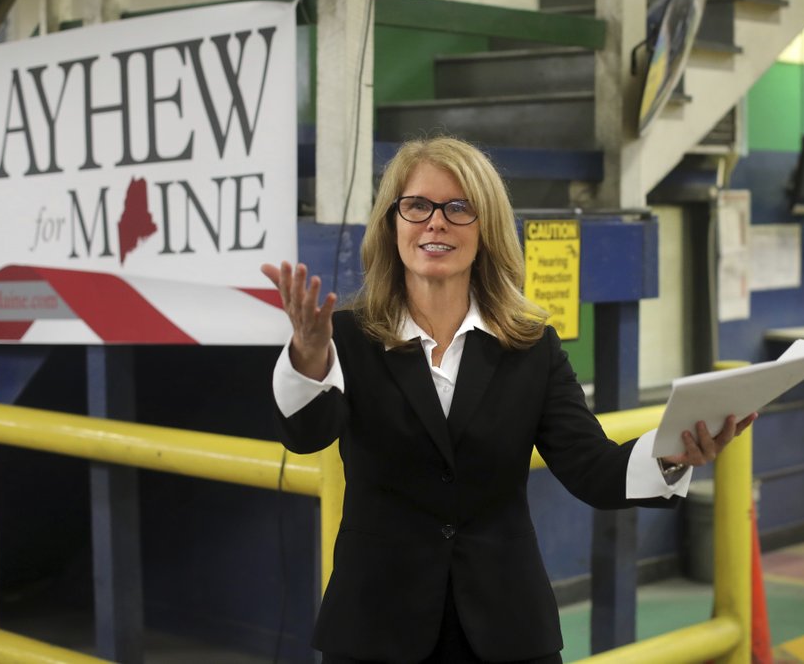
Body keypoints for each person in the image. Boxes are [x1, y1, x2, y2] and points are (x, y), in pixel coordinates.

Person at [262, 136, 756, 664]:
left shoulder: (530, 346)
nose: (436, 222)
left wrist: (673, 452)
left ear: (487, 229)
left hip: (506, 626)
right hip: (376, 626)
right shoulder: (346, 339)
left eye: (459, 207)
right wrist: (308, 356)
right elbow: (307, 433)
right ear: (392, 223)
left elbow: (592, 467)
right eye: (417, 206)